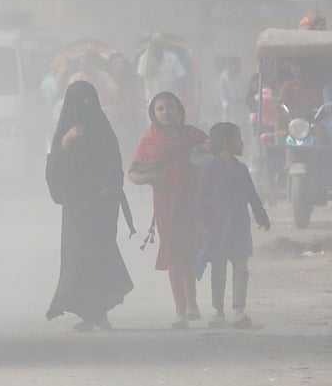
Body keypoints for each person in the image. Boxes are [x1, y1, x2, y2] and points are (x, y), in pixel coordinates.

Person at [44, 81, 135, 331]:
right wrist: (67, 140)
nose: (84, 105)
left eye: (88, 99)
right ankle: (88, 313)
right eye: (78, 100)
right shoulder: (64, 133)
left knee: (100, 255)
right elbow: (54, 170)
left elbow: (115, 165)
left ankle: (100, 313)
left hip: (101, 206)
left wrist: (109, 188)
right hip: (75, 206)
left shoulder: (104, 130)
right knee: (78, 258)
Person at [128, 91, 209, 328]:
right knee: (174, 255)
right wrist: (151, 177)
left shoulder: (194, 135)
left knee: (191, 253)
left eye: (169, 107)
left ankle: (192, 300)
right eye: (160, 109)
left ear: (179, 111)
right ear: (153, 113)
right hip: (166, 207)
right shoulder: (150, 140)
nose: (165, 112)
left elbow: (213, 156)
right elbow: (133, 173)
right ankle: (181, 311)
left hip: (194, 203)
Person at [195, 122, 270, 329]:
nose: (242, 143)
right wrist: (202, 227)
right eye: (238, 138)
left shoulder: (242, 169)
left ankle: (239, 310)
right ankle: (218, 311)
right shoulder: (210, 170)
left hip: (239, 229)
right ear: (226, 143)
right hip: (217, 230)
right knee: (218, 272)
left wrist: (261, 216)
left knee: (241, 269)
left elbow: (252, 196)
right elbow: (201, 201)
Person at [137, 33, 188, 107]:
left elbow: (181, 77)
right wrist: (141, 97)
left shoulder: (172, 58)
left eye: (159, 42)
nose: (157, 44)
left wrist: (182, 96)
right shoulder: (144, 58)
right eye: (155, 41)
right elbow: (140, 79)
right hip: (151, 99)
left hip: (171, 97)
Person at [219, 56, 249, 126]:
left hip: (241, 107)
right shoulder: (223, 79)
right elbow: (223, 96)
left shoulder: (243, 80)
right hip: (229, 107)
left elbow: (246, 95)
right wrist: (227, 106)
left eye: (236, 67)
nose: (234, 69)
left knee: (241, 127)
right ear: (228, 67)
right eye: (232, 66)